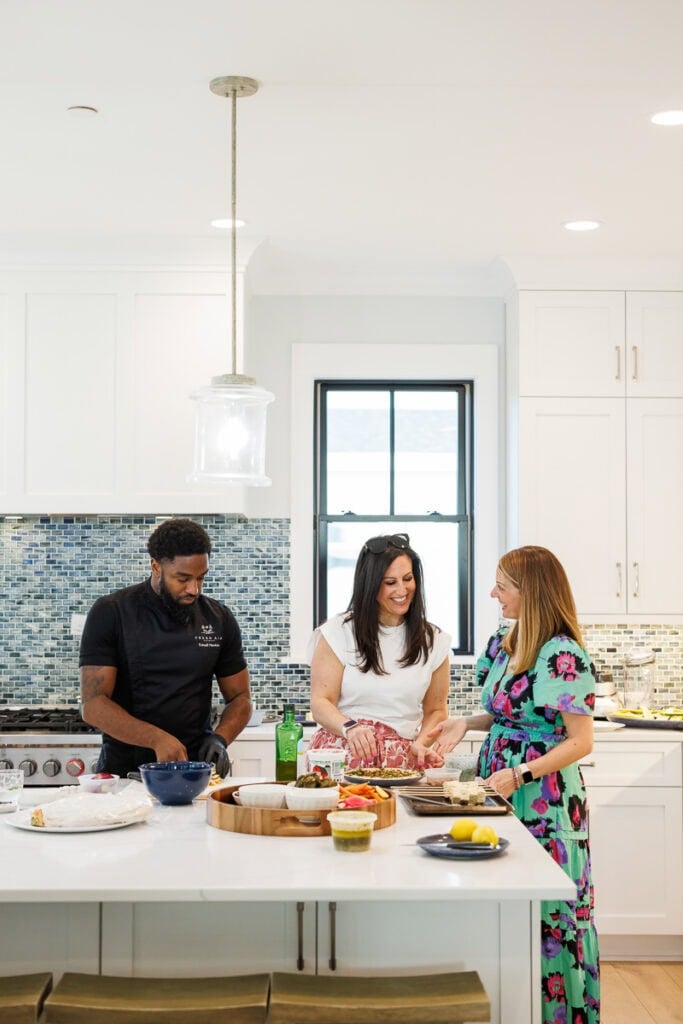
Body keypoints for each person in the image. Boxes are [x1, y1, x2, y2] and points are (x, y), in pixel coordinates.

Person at [428, 545, 600, 1023]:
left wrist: (522, 772)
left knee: (547, 913)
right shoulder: (507, 641)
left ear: (531, 592)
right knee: (503, 904)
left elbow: (580, 741)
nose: (493, 593)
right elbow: (509, 714)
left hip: (544, 800)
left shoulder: (561, 653)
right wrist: (466, 722)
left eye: (502, 586)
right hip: (500, 787)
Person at [79, 518, 252, 778]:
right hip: (126, 772)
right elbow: (93, 705)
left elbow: (241, 699)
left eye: (201, 578)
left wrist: (220, 739)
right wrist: (157, 739)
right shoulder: (112, 612)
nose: (194, 589)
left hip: (195, 771)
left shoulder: (218, 618)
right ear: (155, 566)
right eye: (182, 578)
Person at [307, 533, 451, 771]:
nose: (402, 590)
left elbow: (436, 709)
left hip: (403, 763)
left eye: (408, 579)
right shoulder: (337, 632)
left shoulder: (434, 640)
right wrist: (350, 727)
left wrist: (423, 743)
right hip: (341, 756)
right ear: (371, 585)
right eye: (390, 582)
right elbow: (321, 702)